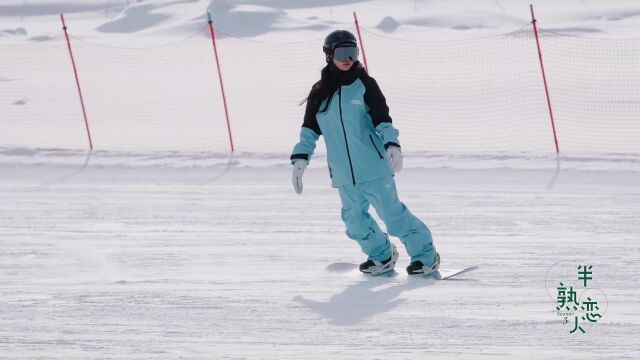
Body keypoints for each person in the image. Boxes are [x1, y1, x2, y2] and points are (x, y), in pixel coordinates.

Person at [290, 29, 439, 276]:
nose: (348, 58)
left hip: (373, 167)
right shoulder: (319, 92)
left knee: (394, 216)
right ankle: (381, 255)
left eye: (353, 52)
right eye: (342, 52)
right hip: (343, 173)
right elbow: (309, 129)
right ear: (329, 55)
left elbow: (383, 119)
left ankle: (426, 256)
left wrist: (392, 144)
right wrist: (300, 159)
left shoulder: (364, 84)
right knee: (354, 221)